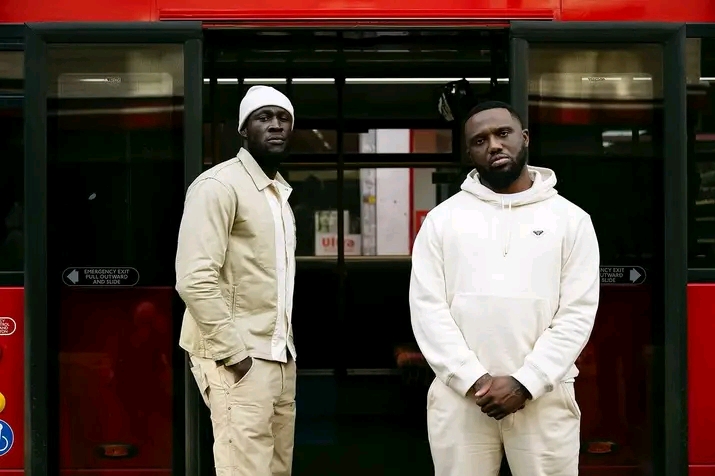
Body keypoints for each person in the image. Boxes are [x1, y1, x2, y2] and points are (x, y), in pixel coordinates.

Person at [409, 100, 600, 476]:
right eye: (480, 140)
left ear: (524, 138)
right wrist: (474, 380)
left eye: (503, 133)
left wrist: (526, 382)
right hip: (461, 398)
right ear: (469, 153)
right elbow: (427, 309)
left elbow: (577, 313)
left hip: (544, 394)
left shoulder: (572, 220)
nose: (494, 144)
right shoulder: (442, 220)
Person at [176, 85, 298, 476]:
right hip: (239, 357)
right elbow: (194, 278)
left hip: (279, 355)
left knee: (276, 469)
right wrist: (235, 355)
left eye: (283, 119)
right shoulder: (218, 186)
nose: (276, 125)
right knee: (243, 470)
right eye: (264, 118)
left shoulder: (277, 194)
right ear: (244, 130)